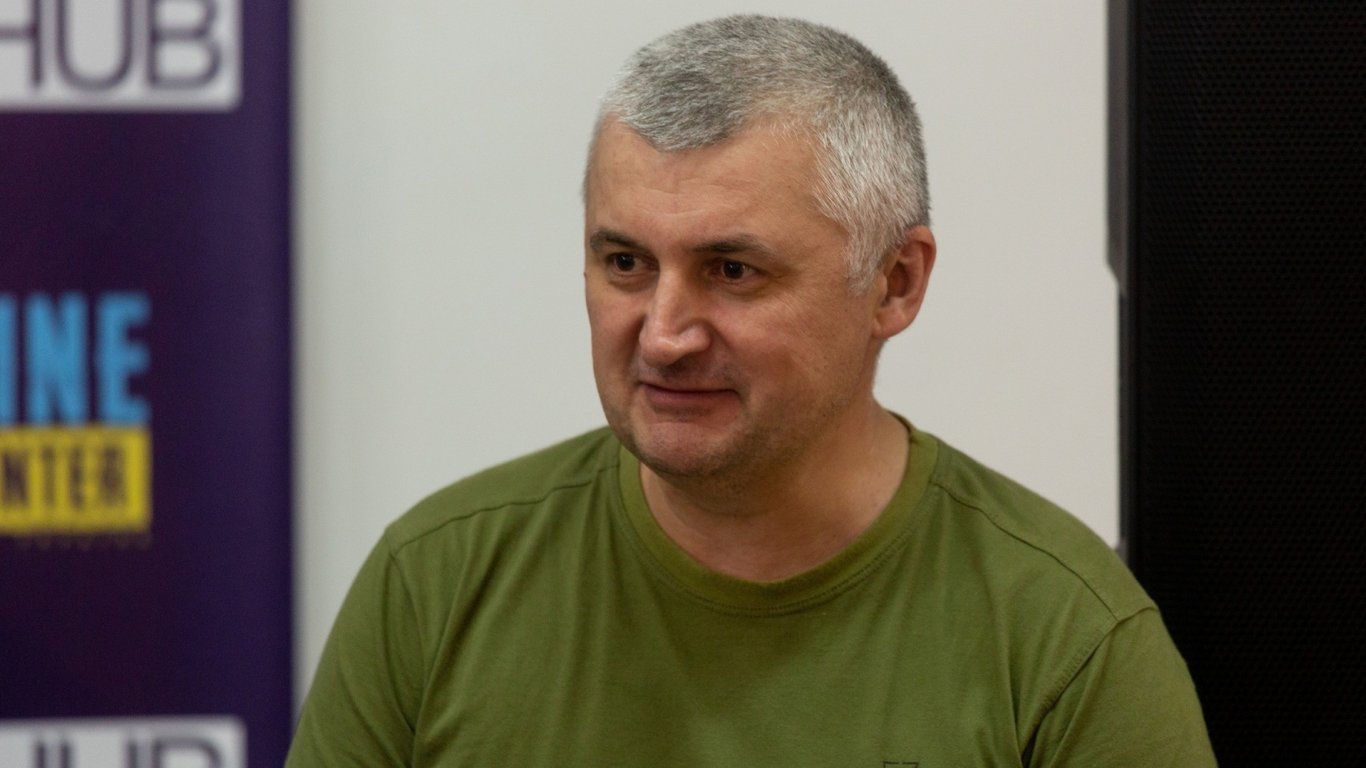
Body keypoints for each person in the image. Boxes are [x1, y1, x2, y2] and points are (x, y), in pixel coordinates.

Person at [287, 15, 1216, 767]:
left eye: (733, 270)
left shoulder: (1064, 640)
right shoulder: (436, 586)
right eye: (625, 262)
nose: (664, 333)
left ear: (894, 284)